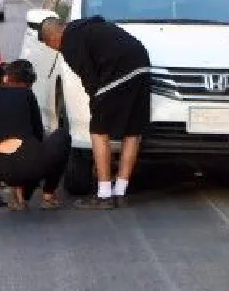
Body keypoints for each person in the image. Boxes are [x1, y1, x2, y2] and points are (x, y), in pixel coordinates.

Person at [37, 16, 151, 209]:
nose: (55, 50)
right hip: (142, 63)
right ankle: (120, 193)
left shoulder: (70, 42)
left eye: (51, 46)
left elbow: (90, 79)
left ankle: (104, 195)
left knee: (98, 131)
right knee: (132, 131)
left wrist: (96, 108)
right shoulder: (88, 27)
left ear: (52, 38)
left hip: (118, 68)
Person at [0, 59, 71, 211]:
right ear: (4, 78)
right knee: (62, 136)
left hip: (3, 170)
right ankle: (48, 196)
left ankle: (18, 191)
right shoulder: (25, 93)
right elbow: (38, 134)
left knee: (16, 153)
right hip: (29, 161)